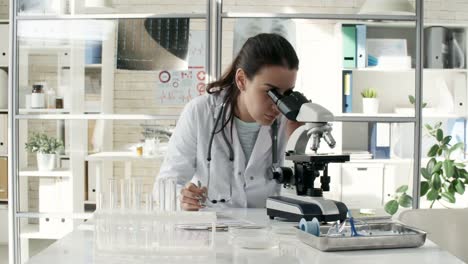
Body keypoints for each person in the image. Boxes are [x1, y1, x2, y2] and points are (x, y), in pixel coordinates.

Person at [156, 33, 301, 211]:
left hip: (268, 232)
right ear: (241, 80)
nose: (278, 105)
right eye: (271, 92)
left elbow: (298, 198)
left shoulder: (290, 122)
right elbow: (164, 186)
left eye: (287, 93)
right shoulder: (200, 113)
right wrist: (182, 198)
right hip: (212, 232)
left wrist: (297, 146)